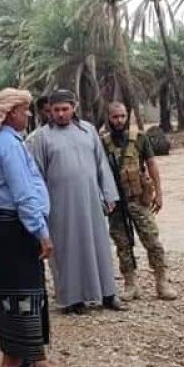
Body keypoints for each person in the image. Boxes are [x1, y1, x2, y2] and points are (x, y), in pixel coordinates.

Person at [0, 88, 85, 367]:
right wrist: (41, 232)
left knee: (7, 293)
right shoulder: (9, 146)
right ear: (11, 112)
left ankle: (12, 357)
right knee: (28, 292)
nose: (28, 115)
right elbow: (24, 194)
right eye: (24, 110)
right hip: (16, 227)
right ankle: (40, 365)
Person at [29, 90, 127, 315]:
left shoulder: (88, 130)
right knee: (67, 249)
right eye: (56, 110)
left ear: (74, 107)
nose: (61, 114)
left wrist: (109, 194)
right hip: (60, 205)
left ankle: (108, 294)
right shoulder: (41, 138)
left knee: (99, 246)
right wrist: (41, 208)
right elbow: (37, 176)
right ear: (50, 111)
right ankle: (72, 300)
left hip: (91, 200)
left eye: (65, 109)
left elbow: (101, 163)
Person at [101, 101, 176, 301]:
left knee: (152, 241)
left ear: (128, 116)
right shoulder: (103, 143)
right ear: (108, 118)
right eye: (115, 117)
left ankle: (161, 282)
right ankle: (130, 284)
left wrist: (158, 193)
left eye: (122, 116)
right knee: (122, 244)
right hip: (116, 203)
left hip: (138, 200)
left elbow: (152, 165)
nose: (119, 120)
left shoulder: (140, 139)